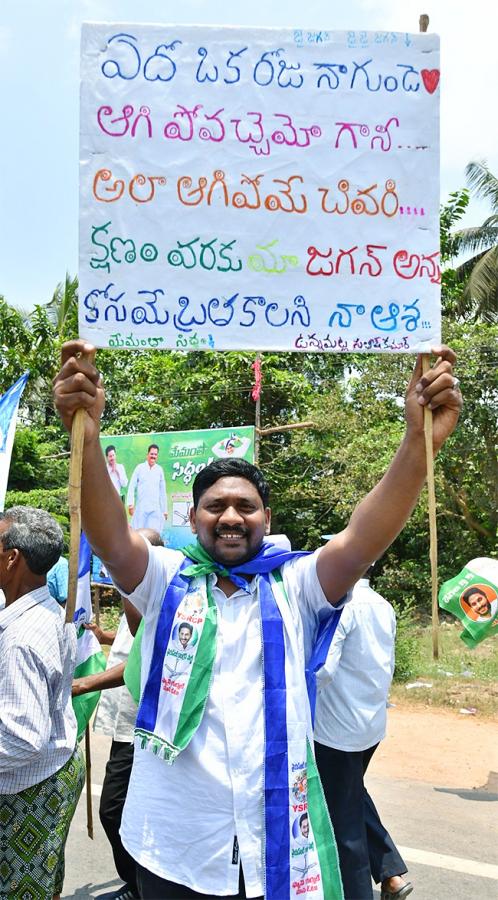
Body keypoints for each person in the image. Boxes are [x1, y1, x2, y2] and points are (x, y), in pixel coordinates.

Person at [53, 339, 461, 900]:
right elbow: (110, 537)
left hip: (275, 843)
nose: (230, 516)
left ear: (266, 518)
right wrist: (89, 435)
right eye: (215, 505)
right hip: (174, 844)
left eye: (245, 506)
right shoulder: (165, 577)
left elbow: (363, 538)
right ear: (192, 517)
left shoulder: (298, 585)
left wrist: (418, 443)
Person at [73, 528, 164, 900]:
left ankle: (140, 886)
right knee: (120, 810)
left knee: (114, 810)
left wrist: (83, 684)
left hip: (142, 727)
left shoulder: (156, 600)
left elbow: (135, 663)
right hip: (123, 725)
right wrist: (101, 634)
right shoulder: (134, 594)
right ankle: (139, 884)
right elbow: (128, 641)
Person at [0, 505, 85, 900]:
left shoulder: (21, 638)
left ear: (12, 558)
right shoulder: (50, 612)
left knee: (20, 888)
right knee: (42, 879)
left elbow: (21, 738)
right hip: (55, 769)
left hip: (29, 786)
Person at [314, 566, 412, 900]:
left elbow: (323, 669)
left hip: (334, 730)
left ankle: (359, 891)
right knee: (350, 793)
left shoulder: (344, 606)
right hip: (369, 725)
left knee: (343, 824)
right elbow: (389, 664)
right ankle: (391, 872)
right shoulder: (382, 605)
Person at [126, 444, 168, 533]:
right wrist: (130, 504)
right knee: (138, 534)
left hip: (155, 509)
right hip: (141, 508)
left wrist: (164, 510)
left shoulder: (159, 470)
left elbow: (162, 491)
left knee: (153, 534)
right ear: (147, 454)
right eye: (152, 454)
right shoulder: (139, 468)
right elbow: (131, 486)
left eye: (155, 454)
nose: (153, 456)